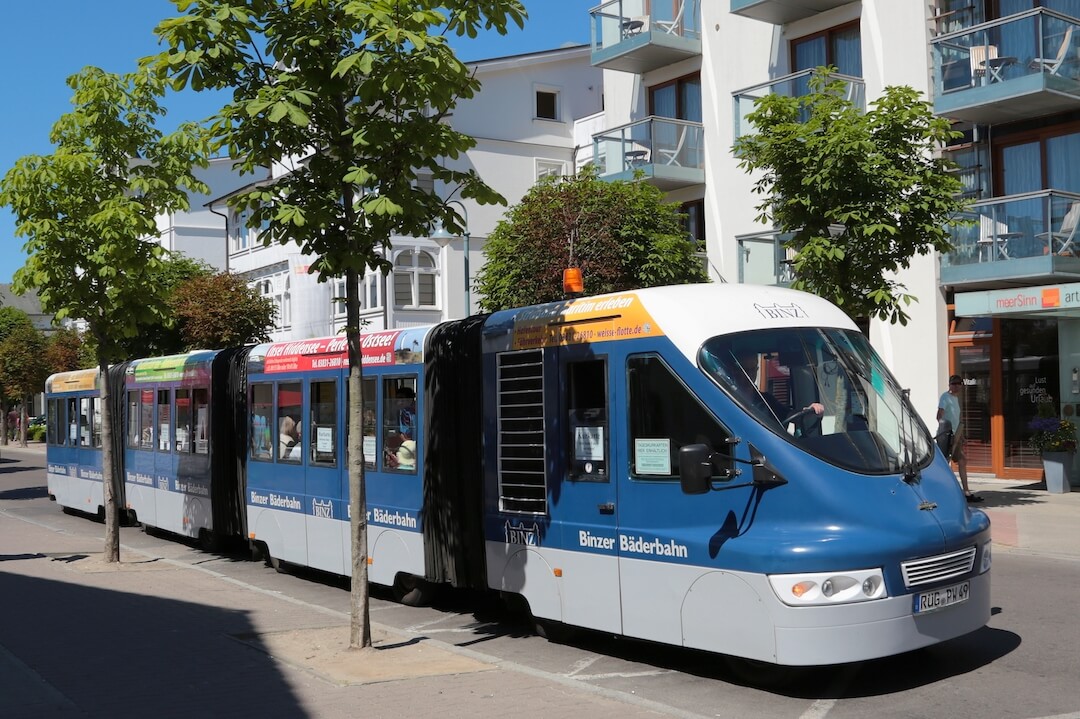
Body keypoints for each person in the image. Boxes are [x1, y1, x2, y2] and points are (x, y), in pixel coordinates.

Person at [938, 374, 981, 503]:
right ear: (949, 385)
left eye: (958, 384)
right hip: (947, 437)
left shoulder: (955, 399)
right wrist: (947, 433)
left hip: (955, 437)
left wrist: (961, 436)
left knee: (960, 460)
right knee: (947, 463)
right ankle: (952, 492)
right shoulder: (945, 397)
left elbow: (957, 419)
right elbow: (939, 417)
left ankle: (964, 492)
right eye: (953, 384)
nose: (956, 386)